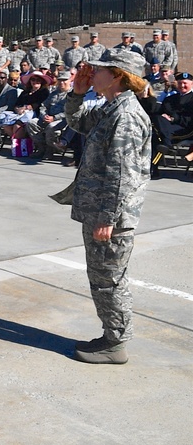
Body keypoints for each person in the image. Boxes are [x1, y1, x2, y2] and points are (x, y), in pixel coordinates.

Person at [63, 50, 151, 364]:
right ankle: (112, 336)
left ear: (117, 76)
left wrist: (107, 218)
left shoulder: (125, 116)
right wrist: (77, 91)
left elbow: (122, 173)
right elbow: (76, 120)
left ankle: (115, 343)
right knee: (104, 277)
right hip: (103, 212)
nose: (93, 72)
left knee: (108, 279)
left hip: (110, 216)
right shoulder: (112, 108)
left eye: (99, 70)